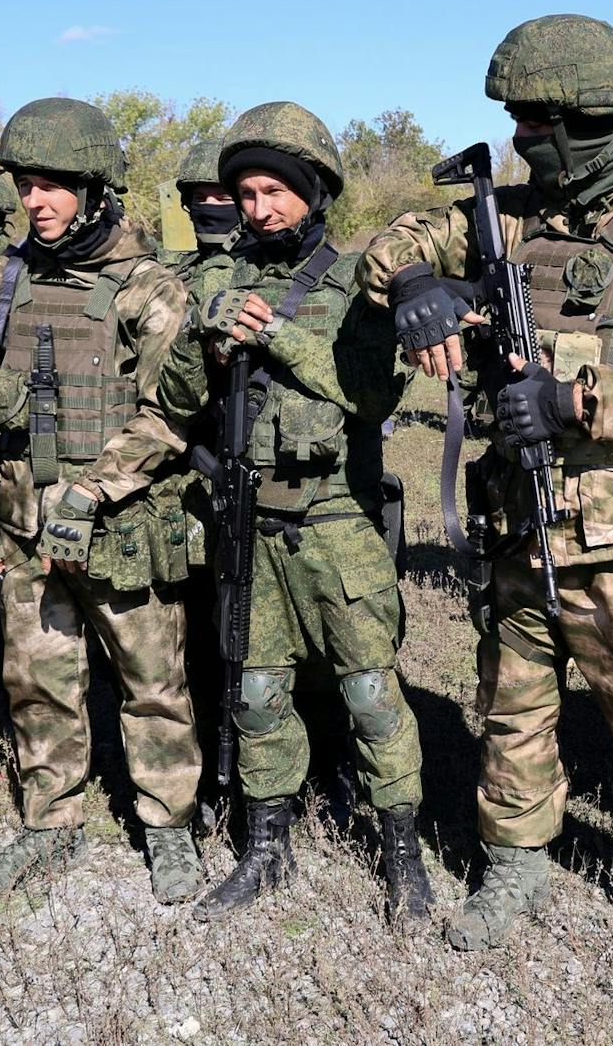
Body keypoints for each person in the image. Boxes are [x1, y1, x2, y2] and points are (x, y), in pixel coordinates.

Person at [361, 14, 613, 982]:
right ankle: (515, 863)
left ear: (590, 118)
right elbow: (394, 237)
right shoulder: (513, 215)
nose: (519, 137)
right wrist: (413, 280)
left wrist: (574, 397)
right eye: (512, 119)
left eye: (535, 119)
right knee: (511, 709)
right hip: (517, 522)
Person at [158, 101, 428, 925]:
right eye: (246, 194)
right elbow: (169, 399)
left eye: (277, 190)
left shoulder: (356, 284)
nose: (259, 208)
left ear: (314, 193)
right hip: (248, 520)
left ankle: (403, 851)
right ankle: (266, 846)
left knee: (372, 691)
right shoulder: (211, 280)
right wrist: (198, 345)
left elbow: (373, 390)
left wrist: (274, 333)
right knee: (256, 690)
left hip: (336, 521)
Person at [0, 98, 204, 903]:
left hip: (119, 526)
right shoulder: (2, 276)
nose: (35, 201)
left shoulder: (148, 286)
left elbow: (174, 414)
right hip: (24, 524)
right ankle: (49, 823)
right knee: (34, 679)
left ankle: (169, 828)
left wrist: (92, 489)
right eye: (26, 184)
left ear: (95, 189)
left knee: (153, 683)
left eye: (54, 185)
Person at [159, 138, 236, 286]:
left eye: (223, 198)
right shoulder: (172, 270)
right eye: (200, 198)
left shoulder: (272, 271)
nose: (209, 205)